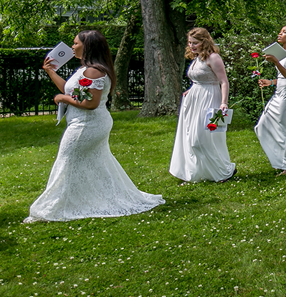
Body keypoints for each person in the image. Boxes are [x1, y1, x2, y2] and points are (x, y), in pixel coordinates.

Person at [25, 30, 164, 223]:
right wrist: (50, 72)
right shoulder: (86, 69)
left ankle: (52, 208)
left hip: (87, 125)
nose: (72, 47)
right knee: (93, 163)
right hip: (83, 123)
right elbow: (71, 90)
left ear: (87, 45)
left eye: (75, 43)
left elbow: (90, 104)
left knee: (67, 160)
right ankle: (86, 199)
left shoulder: (94, 71)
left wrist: (63, 98)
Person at [170, 27, 236, 184]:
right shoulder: (197, 58)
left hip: (209, 98)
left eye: (195, 43)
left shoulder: (213, 58)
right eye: (190, 43)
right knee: (190, 137)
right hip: (194, 99)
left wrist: (224, 102)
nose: (192, 46)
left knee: (200, 139)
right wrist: (191, 90)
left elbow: (223, 81)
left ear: (204, 42)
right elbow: (198, 79)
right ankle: (200, 172)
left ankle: (224, 171)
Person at [255, 25, 286, 175]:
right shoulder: (285, 53)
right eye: (281, 31)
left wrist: (276, 61)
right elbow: (283, 77)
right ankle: (281, 159)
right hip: (279, 92)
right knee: (262, 125)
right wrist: (271, 82)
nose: (280, 34)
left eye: (284, 32)